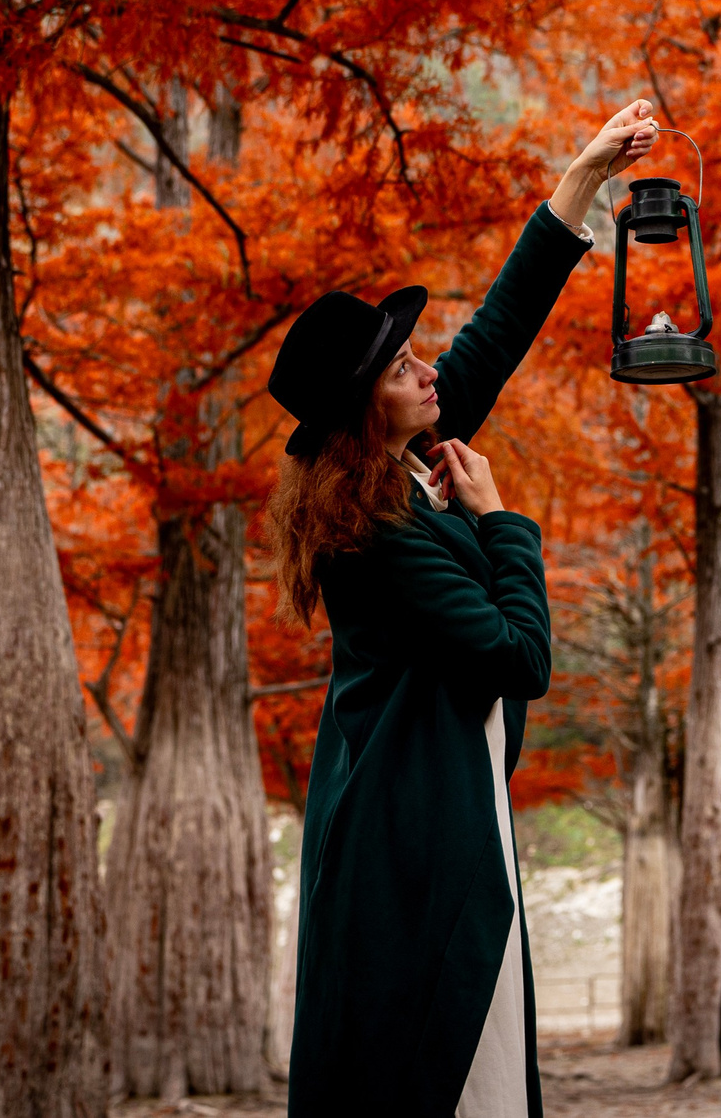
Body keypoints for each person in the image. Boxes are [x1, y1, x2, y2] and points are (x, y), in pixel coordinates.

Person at [265, 100, 660, 1118]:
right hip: (416, 847)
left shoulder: (392, 475)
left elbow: (495, 331)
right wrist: (502, 522)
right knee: (451, 1069)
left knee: (454, 1066)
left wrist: (582, 178)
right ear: (368, 408)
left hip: (426, 817)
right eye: (402, 366)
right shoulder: (384, 530)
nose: (426, 367)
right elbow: (517, 658)